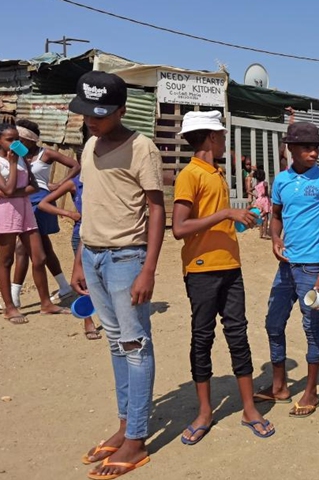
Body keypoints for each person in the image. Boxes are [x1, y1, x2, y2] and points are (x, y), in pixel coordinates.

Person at [69, 71, 165, 478]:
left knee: (135, 344)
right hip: (92, 255)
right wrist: (78, 257)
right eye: (87, 113)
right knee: (115, 344)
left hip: (127, 259)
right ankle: (125, 424)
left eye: (101, 115)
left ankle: (137, 439)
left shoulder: (142, 149)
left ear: (122, 110)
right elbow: (90, 202)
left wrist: (148, 269)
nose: (92, 120)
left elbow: (157, 209)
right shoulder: (89, 144)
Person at [171, 111, 274, 442]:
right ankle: (205, 412)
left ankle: (248, 408)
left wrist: (238, 221)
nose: (225, 143)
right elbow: (180, 228)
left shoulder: (216, 174)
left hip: (230, 266)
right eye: (223, 137)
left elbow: (215, 222)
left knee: (238, 335)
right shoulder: (189, 175)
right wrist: (226, 213)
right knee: (202, 337)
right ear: (211, 138)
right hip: (201, 270)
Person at [258, 122, 319, 417]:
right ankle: (279, 386)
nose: (313, 152)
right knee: (273, 322)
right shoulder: (280, 181)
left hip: (313, 267)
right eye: (306, 147)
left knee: (311, 326)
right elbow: (276, 216)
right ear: (290, 149)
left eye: (316, 147)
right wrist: (275, 239)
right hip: (286, 266)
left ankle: (311, 390)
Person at [0, 124, 70, 324]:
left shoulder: (21, 157)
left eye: (17, 139)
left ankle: (46, 303)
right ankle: (10, 307)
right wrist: (12, 166)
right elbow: (8, 187)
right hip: (5, 213)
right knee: (5, 261)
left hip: (25, 210)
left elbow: (33, 185)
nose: (15, 143)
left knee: (39, 257)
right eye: (9, 139)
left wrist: (15, 193)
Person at [11, 119, 81, 308]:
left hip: (40, 202)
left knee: (21, 248)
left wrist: (59, 185)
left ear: (30, 140)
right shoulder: (18, 154)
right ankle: (64, 286)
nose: (17, 142)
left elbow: (76, 165)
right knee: (44, 247)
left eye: (21, 138)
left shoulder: (46, 153)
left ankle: (14, 296)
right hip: (24, 200)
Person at [37, 171, 102, 339]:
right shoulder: (74, 184)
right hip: (80, 234)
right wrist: (69, 214)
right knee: (84, 279)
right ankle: (88, 320)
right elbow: (44, 204)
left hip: (105, 233)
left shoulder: (106, 179)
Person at [251, 168, 270, 239]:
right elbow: (266, 193)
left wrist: (255, 195)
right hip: (265, 200)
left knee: (260, 216)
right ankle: (265, 233)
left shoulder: (256, 185)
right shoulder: (265, 183)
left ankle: (261, 233)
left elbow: (248, 190)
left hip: (258, 200)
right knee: (266, 217)